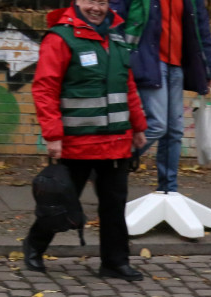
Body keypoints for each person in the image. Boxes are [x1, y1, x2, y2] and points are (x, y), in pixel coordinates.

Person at [25, 0, 149, 281]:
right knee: (63, 203)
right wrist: (53, 135)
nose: (97, 8)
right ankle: (34, 244)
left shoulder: (115, 36)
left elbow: (126, 84)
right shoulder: (60, 38)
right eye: (91, 1)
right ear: (77, 2)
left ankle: (115, 263)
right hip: (76, 143)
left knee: (114, 205)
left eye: (103, 2)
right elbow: (45, 88)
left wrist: (139, 126)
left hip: (116, 142)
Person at [111, 0, 211, 193]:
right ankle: (111, 164)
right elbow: (115, 19)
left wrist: (209, 69)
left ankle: (168, 189)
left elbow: (202, 31)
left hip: (176, 66)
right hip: (149, 62)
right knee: (158, 125)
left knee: (175, 131)